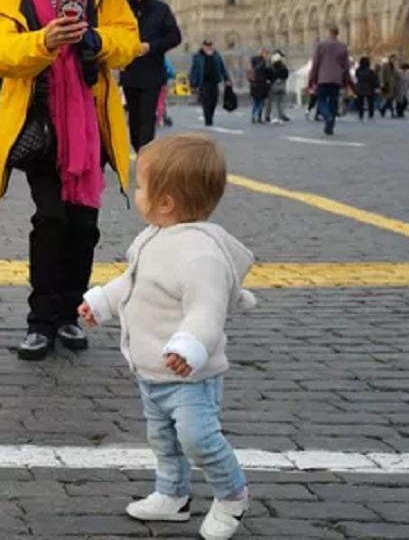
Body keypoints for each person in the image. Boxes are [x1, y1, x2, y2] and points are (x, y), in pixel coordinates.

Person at [0, 0, 140, 361]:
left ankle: (71, 312)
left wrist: (95, 39)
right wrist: (43, 41)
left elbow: (128, 40)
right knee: (51, 220)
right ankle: (41, 321)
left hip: (90, 126)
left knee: (84, 226)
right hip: (39, 123)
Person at [79, 134, 254, 540]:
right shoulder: (154, 237)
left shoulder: (200, 254)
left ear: (166, 202)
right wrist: (102, 302)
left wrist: (188, 346)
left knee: (198, 438)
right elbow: (133, 282)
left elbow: (206, 311)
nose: (136, 193)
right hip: (153, 372)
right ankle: (172, 494)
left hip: (188, 375)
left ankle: (232, 495)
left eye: (141, 186)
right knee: (163, 440)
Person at [119, 0, 181, 151]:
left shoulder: (161, 9)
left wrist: (151, 46)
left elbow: (175, 37)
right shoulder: (121, 6)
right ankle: (138, 147)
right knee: (134, 117)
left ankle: (144, 153)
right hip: (129, 71)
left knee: (147, 116)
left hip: (152, 72)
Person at [308, 26, 351, 136]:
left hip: (323, 78)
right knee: (333, 101)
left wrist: (312, 79)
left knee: (321, 100)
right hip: (336, 79)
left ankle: (328, 117)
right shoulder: (343, 47)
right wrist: (346, 81)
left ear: (329, 33)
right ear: (337, 34)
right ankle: (330, 127)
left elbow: (315, 64)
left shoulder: (321, 45)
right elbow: (346, 67)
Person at [188, 40, 232, 128]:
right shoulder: (198, 57)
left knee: (214, 100)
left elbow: (222, 68)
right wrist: (192, 83)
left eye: (210, 45)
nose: (208, 47)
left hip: (214, 81)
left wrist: (227, 79)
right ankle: (208, 120)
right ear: (203, 46)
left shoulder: (216, 56)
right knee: (206, 101)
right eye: (206, 46)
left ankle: (210, 116)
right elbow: (194, 70)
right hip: (204, 82)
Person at [263, 51, 290, 124]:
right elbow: (286, 75)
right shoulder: (284, 67)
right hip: (282, 85)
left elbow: (268, 77)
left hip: (273, 86)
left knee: (273, 102)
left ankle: (273, 117)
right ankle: (281, 116)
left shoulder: (271, 68)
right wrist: (281, 79)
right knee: (281, 102)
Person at [246, 49, 272, 125]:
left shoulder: (253, 61)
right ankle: (258, 116)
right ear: (263, 54)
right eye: (266, 54)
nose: (267, 55)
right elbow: (266, 72)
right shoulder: (263, 62)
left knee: (256, 102)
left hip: (253, 85)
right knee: (261, 102)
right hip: (261, 85)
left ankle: (254, 116)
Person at [353, 56, 379, 120]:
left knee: (360, 102)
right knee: (370, 102)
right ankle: (370, 115)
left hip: (360, 87)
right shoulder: (370, 71)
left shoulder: (358, 70)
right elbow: (373, 79)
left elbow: (357, 77)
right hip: (369, 87)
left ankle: (361, 114)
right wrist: (376, 86)